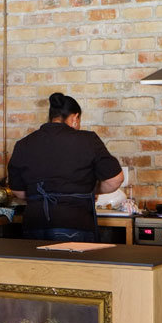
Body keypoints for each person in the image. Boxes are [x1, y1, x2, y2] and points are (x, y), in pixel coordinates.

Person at [8, 92, 123, 241]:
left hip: (35, 225)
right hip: (75, 223)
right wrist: (89, 190)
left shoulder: (23, 144)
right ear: (75, 118)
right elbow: (115, 180)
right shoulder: (88, 140)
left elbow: (18, 191)